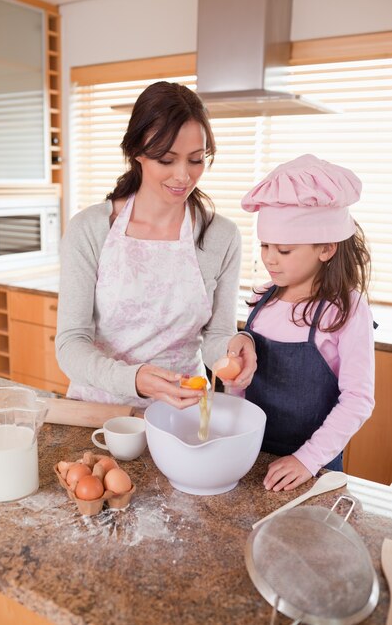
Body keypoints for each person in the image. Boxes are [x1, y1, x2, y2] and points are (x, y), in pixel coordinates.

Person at [56, 81, 255, 409]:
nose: (183, 176)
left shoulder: (222, 236)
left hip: (183, 412)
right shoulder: (89, 229)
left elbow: (216, 338)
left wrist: (237, 345)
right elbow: (70, 345)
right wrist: (133, 379)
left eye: (196, 159)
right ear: (136, 152)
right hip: (100, 411)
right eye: (166, 159)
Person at [241, 154, 375, 492]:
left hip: (312, 471)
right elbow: (242, 387)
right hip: (249, 458)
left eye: (283, 250)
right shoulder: (262, 299)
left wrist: (307, 459)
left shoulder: (345, 310)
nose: (269, 258)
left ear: (327, 249)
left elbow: (359, 398)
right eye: (265, 245)